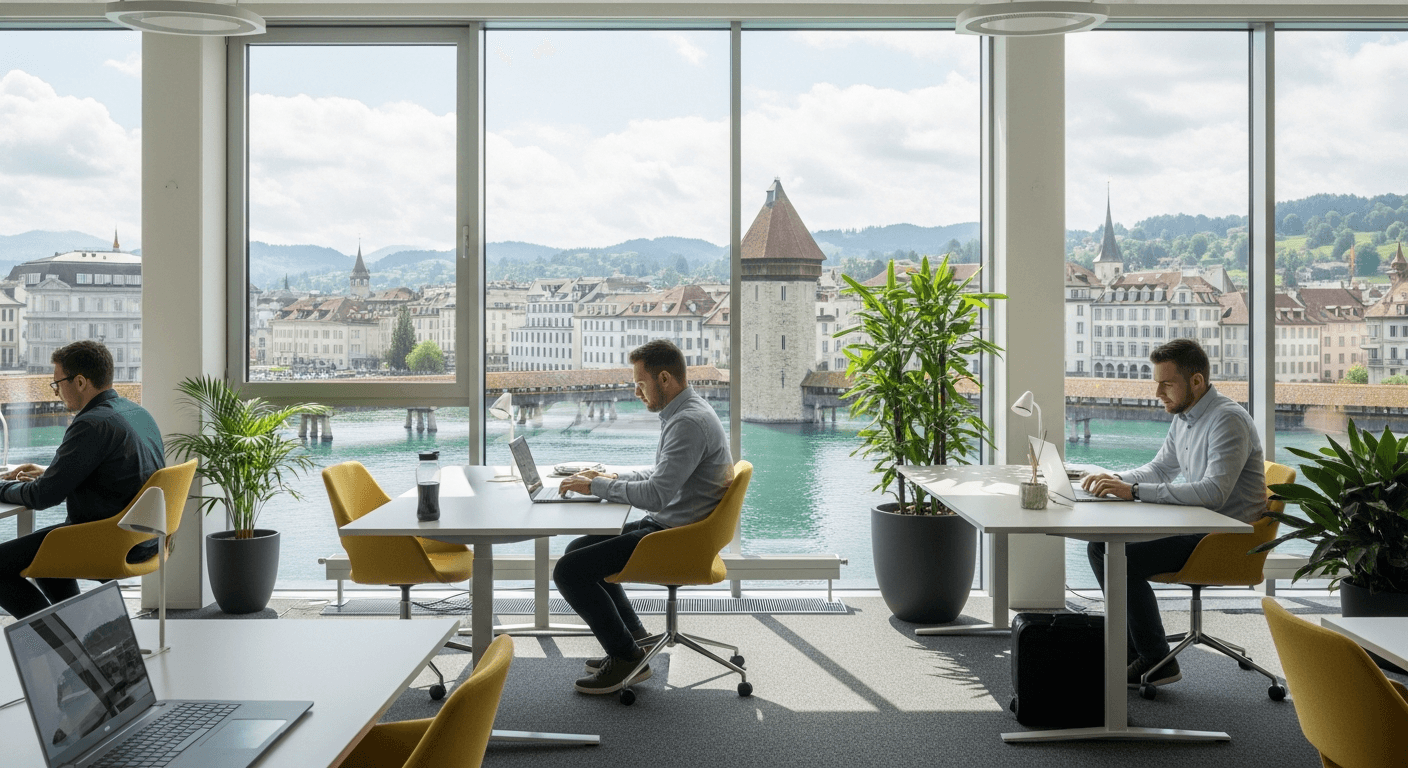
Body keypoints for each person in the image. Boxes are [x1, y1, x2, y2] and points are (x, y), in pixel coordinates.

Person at [1081, 338, 1266, 689]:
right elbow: (1161, 469)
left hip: (1224, 536)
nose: (1157, 392)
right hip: (1199, 525)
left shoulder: (1228, 420)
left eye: (1166, 384)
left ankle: (1155, 660)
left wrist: (1133, 492)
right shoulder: (1185, 416)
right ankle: (1135, 651)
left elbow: (1214, 493)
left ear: (1196, 381)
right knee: (1100, 546)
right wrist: (1117, 479)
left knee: (1120, 556)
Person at [553, 339, 733, 694]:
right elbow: (660, 475)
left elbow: (655, 494)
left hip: (676, 538)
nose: (636, 392)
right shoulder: (686, 413)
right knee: (578, 549)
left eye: (640, 383)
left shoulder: (688, 423)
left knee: (569, 571)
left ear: (664, 379)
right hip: (674, 526)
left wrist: (597, 487)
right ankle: (634, 640)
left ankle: (624, 657)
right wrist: (610, 479)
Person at [0, 341, 166, 619]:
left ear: (79, 382)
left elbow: (43, 497)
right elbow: (117, 473)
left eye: (57, 384)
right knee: (47, 556)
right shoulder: (136, 412)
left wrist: (3, 488)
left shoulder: (91, 423)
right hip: (146, 538)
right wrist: (51, 472)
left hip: (110, 542)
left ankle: (55, 642)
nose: (57, 391)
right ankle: (82, 635)